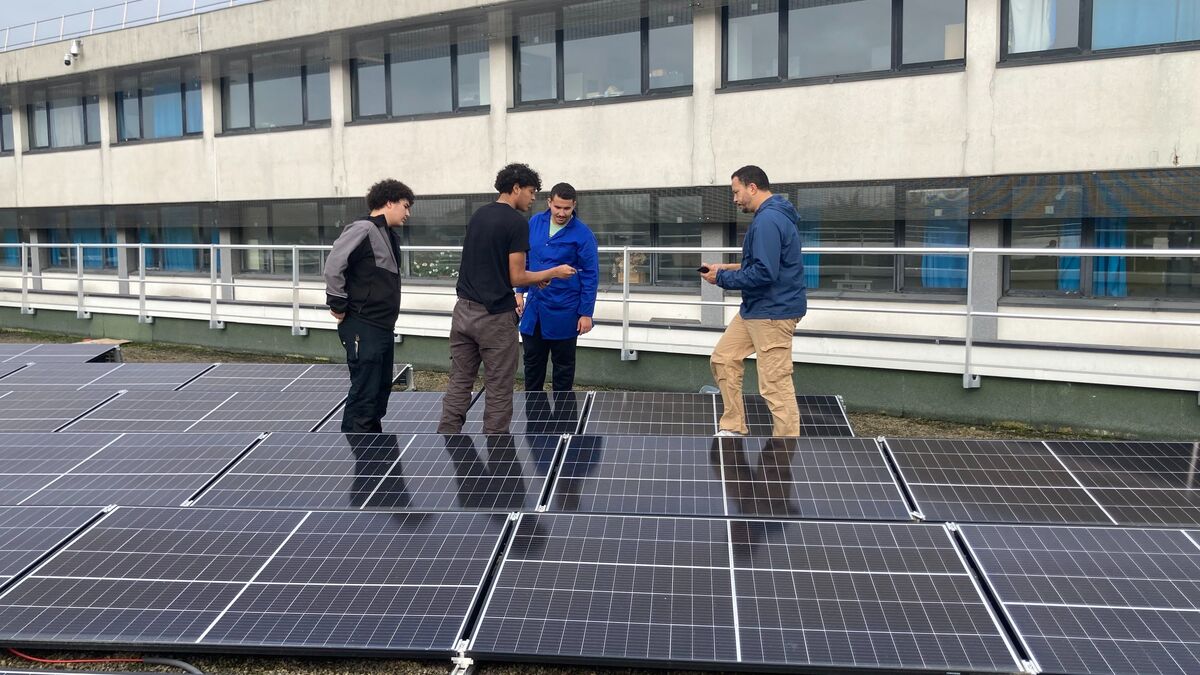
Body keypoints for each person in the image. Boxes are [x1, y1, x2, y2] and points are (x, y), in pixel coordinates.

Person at [438, 163, 577, 435]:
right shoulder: (515, 222)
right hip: (494, 318)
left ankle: (447, 437)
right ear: (516, 188)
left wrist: (534, 276)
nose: (533, 197)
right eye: (531, 191)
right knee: (499, 385)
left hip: (463, 311)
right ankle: (497, 447)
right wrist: (551, 273)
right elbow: (516, 277)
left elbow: (485, 263)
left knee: (459, 381)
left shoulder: (479, 215)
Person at [701, 165, 807, 437]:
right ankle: (733, 426)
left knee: (774, 383)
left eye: (736, 192)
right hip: (755, 309)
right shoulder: (770, 217)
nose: (734, 199)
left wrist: (722, 279)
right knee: (723, 358)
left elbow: (765, 273)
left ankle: (785, 446)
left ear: (752, 187)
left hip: (772, 313)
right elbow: (767, 264)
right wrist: (729, 268)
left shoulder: (768, 220)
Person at [325, 178, 414, 433]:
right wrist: (338, 304)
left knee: (378, 394)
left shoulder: (387, 234)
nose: (407, 213)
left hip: (382, 327)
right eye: (405, 206)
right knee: (364, 396)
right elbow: (333, 267)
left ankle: (374, 457)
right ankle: (360, 456)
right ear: (389, 202)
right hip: (363, 327)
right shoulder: (362, 229)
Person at [516, 182, 599, 392]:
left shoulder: (583, 234)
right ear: (549, 202)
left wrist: (586, 313)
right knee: (532, 365)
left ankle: (563, 422)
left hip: (565, 310)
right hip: (534, 308)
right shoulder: (534, 223)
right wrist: (519, 292)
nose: (562, 213)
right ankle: (534, 421)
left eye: (567, 208)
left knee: (563, 368)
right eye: (558, 207)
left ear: (574, 206)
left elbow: (591, 276)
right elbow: (525, 260)